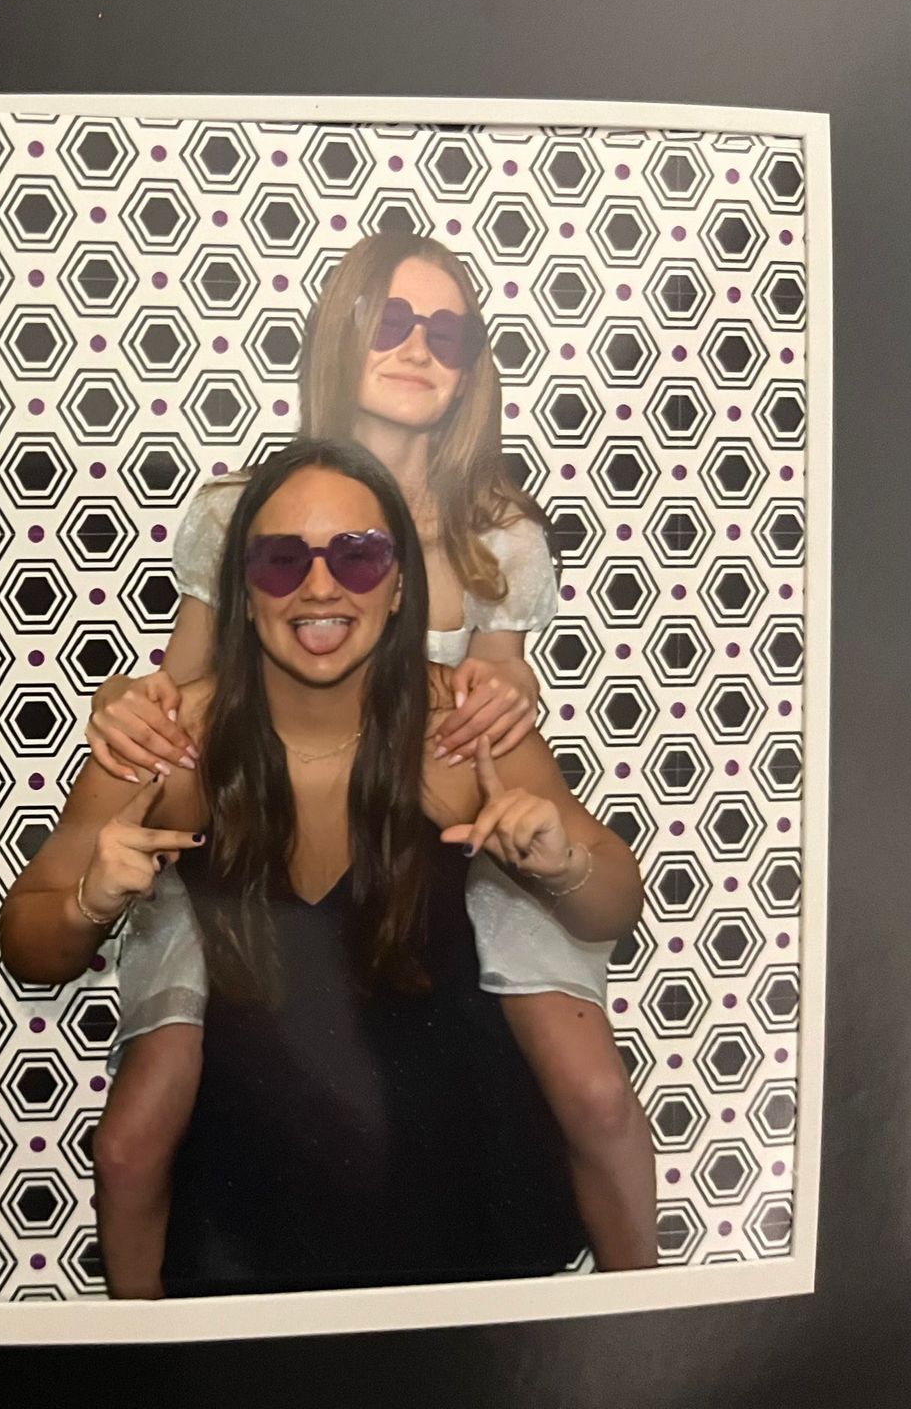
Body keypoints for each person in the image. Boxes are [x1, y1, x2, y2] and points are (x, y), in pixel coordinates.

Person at [84, 232, 654, 1279]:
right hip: (257, 842)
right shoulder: (239, 510)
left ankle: (647, 1335)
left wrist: (508, 702)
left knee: (594, 1093)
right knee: (133, 1139)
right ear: (343, 330)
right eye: (393, 320)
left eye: (448, 331)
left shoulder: (499, 540)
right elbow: (185, 689)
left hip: (442, 843)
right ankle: (145, 1355)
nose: (418, 348)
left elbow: (495, 707)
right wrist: (121, 708)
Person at [2, 441, 645, 1297]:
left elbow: (612, 908)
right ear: (242, 589)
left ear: (401, 582)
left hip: (458, 1211)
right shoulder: (172, 746)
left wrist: (560, 862)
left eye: (358, 554)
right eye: (280, 559)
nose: (319, 585)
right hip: (255, 1224)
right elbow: (28, 944)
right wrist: (89, 901)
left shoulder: (458, 728)